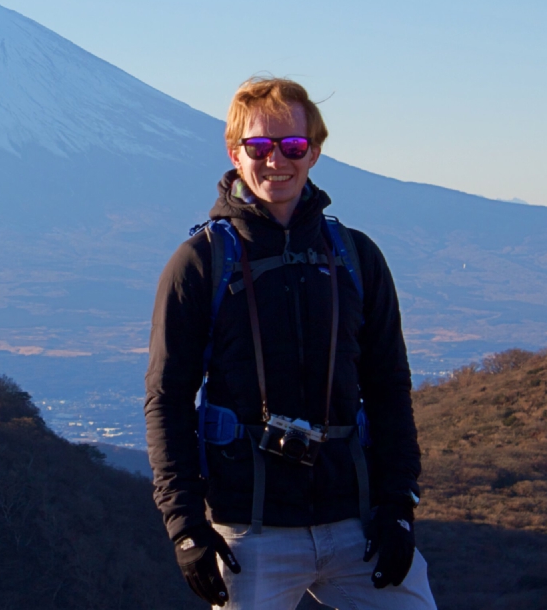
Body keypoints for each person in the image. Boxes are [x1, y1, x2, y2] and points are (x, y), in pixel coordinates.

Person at [144, 78, 436, 609]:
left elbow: (390, 385)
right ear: (235, 152)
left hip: (357, 520)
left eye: (293, 146)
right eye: (259, 147)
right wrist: (185, 524)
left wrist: (398, 506)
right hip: (249, 528)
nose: (276, 160)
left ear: (315, 152)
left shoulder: (355, 256)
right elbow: (166, 398)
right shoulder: (200, 263)